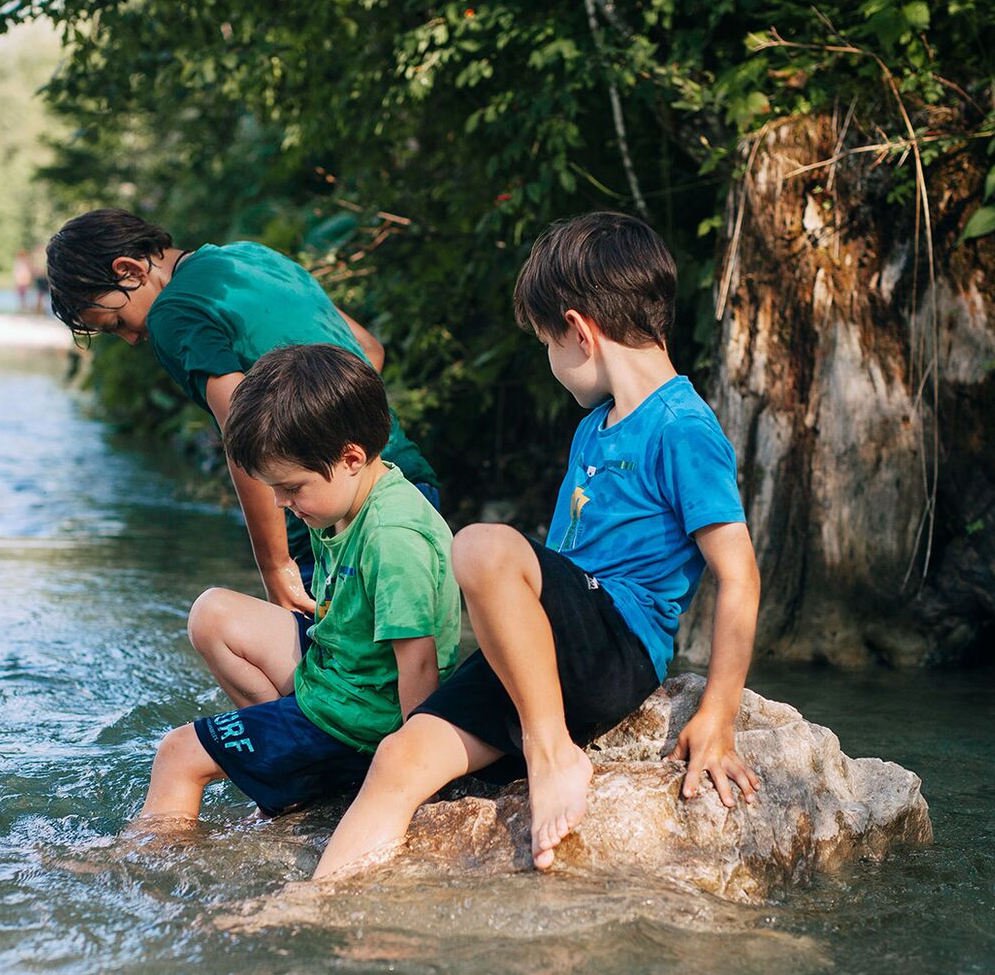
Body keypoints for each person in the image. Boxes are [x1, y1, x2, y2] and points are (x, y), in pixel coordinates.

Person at [311, 212, 763, 880]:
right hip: (556, 654)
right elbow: (554, 573)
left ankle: (551, 752)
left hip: (616, 647)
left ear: (579, 333)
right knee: (400, 758)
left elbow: (740, 574)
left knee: (482, 547)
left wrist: (719, 713)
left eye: (547, 343)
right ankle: (318, 903)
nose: (550, 362)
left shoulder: (683, 429)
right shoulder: (595, 429)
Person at [47, 209, 440, 614]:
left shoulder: (171, 314)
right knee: (407, 657)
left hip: (328, 520)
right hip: (407, 482)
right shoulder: (255, 257)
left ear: (129, 270)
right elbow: (369, 349)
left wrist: (275, 566)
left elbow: (245, 431)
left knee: (325, 671)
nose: (130, 339)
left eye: (115, 321)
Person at [137, 344, 460, 821]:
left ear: (350, 457)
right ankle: (293, 773)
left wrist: (419, 782)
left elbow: (418, 665)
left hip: (362, 718)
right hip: (340, 674)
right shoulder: (351, 497)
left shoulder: (393, 537)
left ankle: (138, 867)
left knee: (178, 755)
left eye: (290, 488)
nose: (282, 503)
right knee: (212, 614)